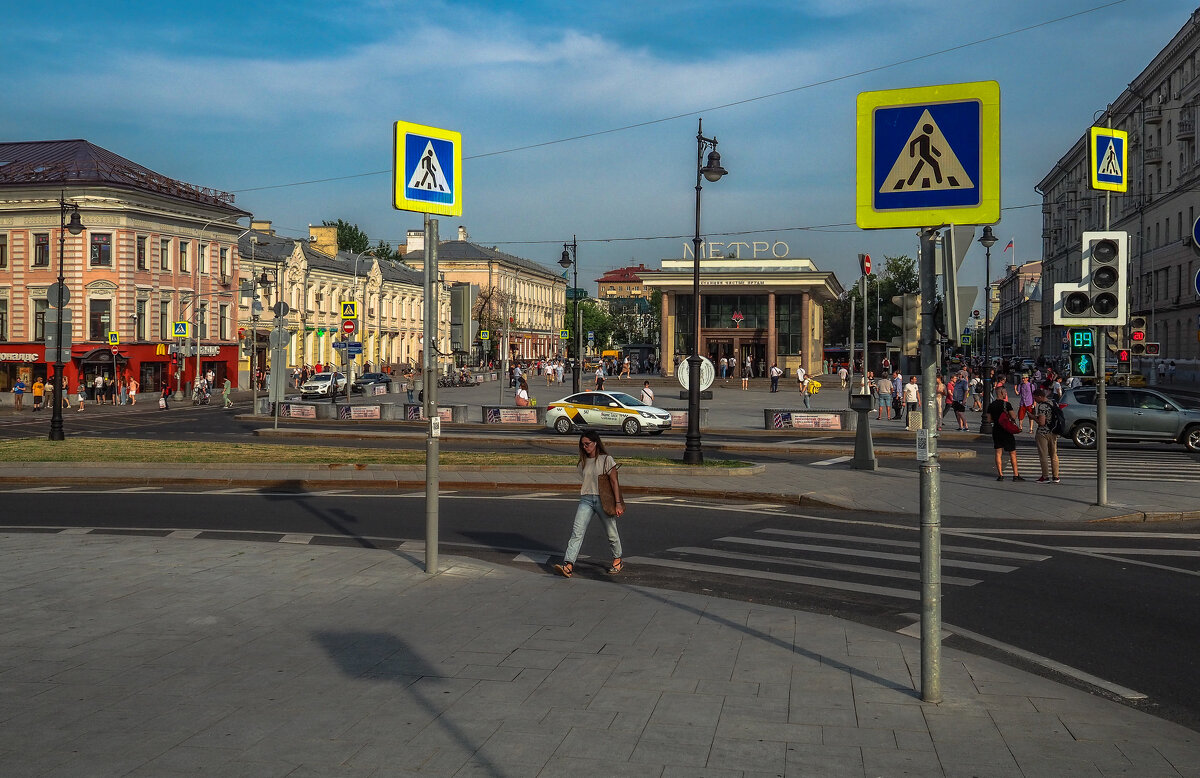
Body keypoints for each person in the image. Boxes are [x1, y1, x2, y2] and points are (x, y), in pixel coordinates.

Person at [553, 430, 624, 578]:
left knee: (611, 532)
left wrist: (618, 503)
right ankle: (568, 565)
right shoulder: (583, 462)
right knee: (577, 532)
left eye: (587, 444)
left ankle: (617, 559)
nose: (585, 447)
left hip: (603, 500)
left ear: (595, 443)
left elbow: (614, 482)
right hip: (586, 499)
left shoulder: (607, 459)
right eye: (582, 444)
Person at [988, 386, 1022, 482]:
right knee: (1012, 453)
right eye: (1005, 392)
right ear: (1002, 393)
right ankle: (1015, 475)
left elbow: (989, 419)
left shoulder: (991, 405)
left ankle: (1000, 475)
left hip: (996, 430)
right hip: (1006, 430)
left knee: (998, 453)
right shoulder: (1006, 404)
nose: (1006, 394)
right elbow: (1014, 417)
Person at [1031, 388, 1060, 484]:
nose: (1035, 400)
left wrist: (1033, 417)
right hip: (1054, 431)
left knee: (1043, 455)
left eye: (1035, 398)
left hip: (1043, 433)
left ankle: (1045, 476)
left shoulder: (1042, 406)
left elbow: (1042, 422)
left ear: (1040, 396)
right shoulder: (1053, 403)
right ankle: (1056, 476)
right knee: (1054, 455)